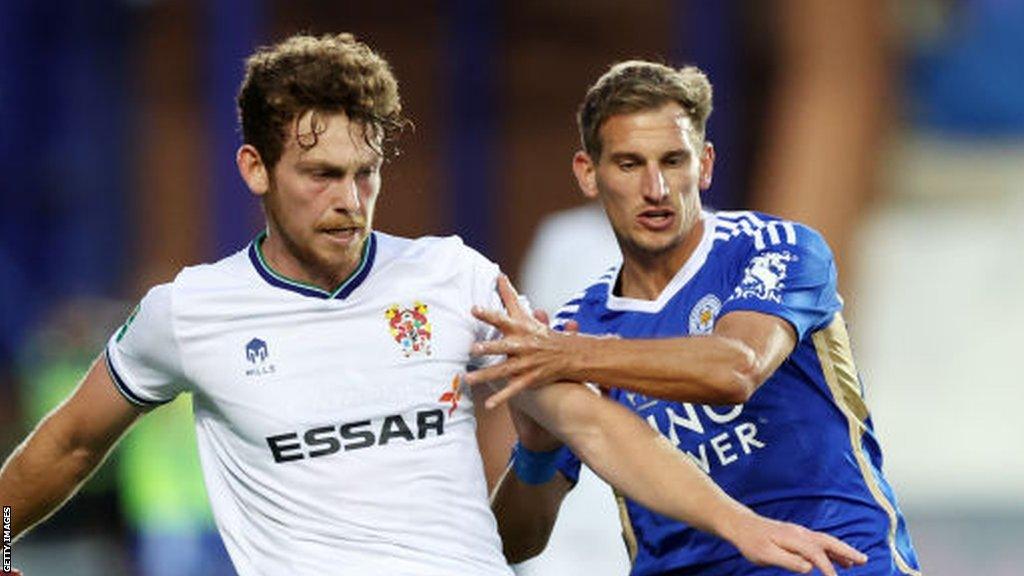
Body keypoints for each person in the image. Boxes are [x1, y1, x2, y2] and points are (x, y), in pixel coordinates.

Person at [0, 35, 866, 576]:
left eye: (365, 173)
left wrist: (739, 523)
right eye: (321, 175)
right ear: (255, 171)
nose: (349, 199)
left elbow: (590, 423)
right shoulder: (188, 312)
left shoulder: (451, 277)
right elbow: (74, 437)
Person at [469, 61, 921, 575]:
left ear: (704, 165)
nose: (656, 187)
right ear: (588, 175)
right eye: (629, 164)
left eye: (674, 161)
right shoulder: (579, 323)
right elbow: (512, 544)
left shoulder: (775, 249)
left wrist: (569, 356)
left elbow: (737, 368)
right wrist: (537, 448)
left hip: (831, 563)